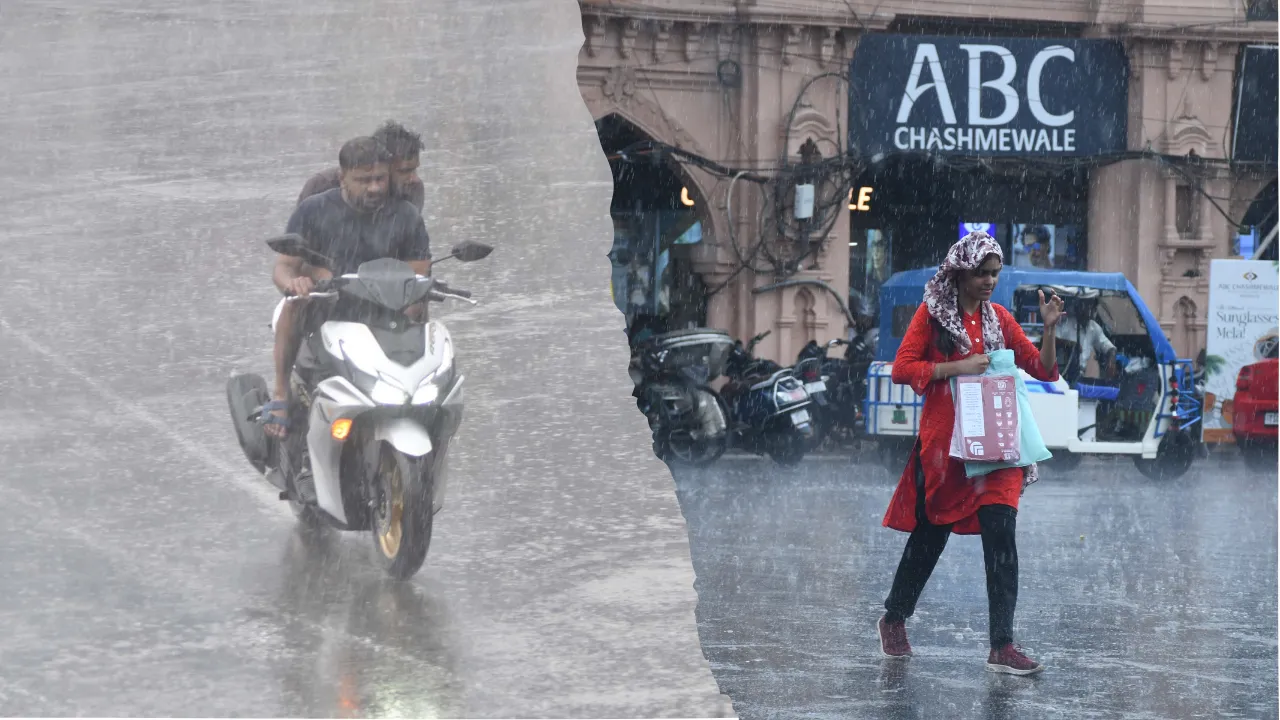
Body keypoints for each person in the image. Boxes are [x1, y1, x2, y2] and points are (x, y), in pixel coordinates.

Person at [876, 231, 1063, 676]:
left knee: (1002, 535)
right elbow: (902, 368)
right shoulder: (932, 316)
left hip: (997, 447)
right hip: (947, 450)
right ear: (960, 274)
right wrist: (955, 367)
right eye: (981, 273)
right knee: (930, 536)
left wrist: (1050, 329)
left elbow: (1043, 369)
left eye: (994, 273)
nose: (989, 281)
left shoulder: (1001, 319)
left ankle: (1002, 645)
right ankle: (895, 616)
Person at [261, 137, 433, 440]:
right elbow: (283, 267)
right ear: (342, 178)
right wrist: (294, 283)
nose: (374, 187)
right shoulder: (313, 210)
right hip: (328, 305)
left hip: (383, 309)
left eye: (380, 178)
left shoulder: (407, 215)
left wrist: (410, 296)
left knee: (421, 309)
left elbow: (419, 272)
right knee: (294, 303)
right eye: (364, 180)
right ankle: (280, 393)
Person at [297, 120, 425, 211]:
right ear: (383, 165)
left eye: (414, 170)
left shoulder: (412, 189)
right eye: (404, 171)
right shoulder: (321, 185)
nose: (414, 178)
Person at [1056, 297, 1117, 383]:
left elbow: (1110, 348)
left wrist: (1111, 361)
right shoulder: (1066, 323)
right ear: (1079, 307)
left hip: (1080, 376)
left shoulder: (1093, 327)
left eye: (1093, 308)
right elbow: (1052, 341)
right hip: (1061, 374)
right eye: (1087, 306)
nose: (1090, 311)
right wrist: (1070, 345)